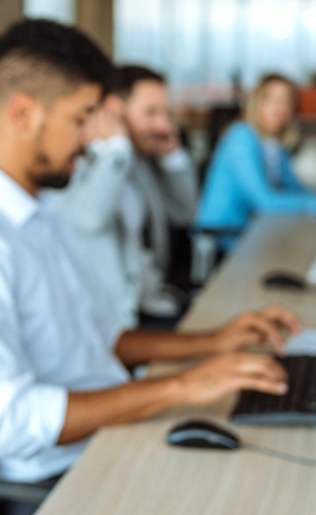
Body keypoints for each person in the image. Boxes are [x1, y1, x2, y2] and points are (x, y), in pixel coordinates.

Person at [0, 19, 295, 515]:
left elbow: (96, 336)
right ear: (23, 113)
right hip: (63, 477)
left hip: (112, 431)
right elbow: (11, 422)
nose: (94, 138)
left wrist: (213, 343)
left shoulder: (38, 208)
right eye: (82, 117)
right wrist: (184, 385)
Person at [51, 65, 197, 330]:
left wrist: (172, 156)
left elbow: (184, 212)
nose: (163, 125)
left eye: (166, 113)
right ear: (114, 109)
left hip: (155, 302)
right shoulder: (86, 160)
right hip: (117, 323)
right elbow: (89, 219)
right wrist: (116, 148)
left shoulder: (141, 161)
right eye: (151, 113)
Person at [196, 74, 316, 246]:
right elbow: (265, 201)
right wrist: (312, 202)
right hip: (223, 235)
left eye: (287, 101)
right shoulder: (241, 137)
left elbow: (292, 185)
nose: (281, 107)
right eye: (273, 100)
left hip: (253, 228)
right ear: (257, 103)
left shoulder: (273, 143)